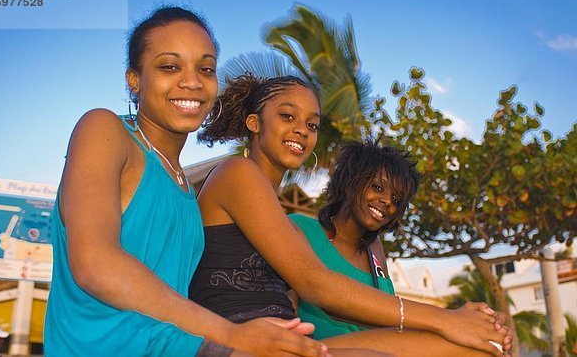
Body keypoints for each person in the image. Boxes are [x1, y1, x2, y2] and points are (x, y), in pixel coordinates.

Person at [43, 6, 329, 357]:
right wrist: (234, 335)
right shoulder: (105, 130)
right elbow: (94, 264)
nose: (192, 81)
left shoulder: (185, 191)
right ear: (134, 79)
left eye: (205, 69)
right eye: (170, 66)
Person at [190, 73, 513, 356]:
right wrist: (446, 319)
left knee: (481, 348)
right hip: (242, 340)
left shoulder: (275, 209)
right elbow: (315, 284)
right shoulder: (237, 173)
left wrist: (468, 323)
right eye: (288, 116)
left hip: (287, 337)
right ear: (254, 122)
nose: (302, 130)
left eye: (311, 124)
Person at [289, 141, 418, 339]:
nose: (387, 202)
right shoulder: (299, 229)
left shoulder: (375, 250)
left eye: (396, 199)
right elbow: (285, 313)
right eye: (378, 187)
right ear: (351, 182)